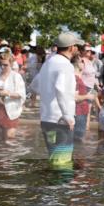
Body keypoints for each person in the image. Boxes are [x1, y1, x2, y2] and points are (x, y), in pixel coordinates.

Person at [30, 32, 80, 169]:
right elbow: (61, 90)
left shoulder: (49, 62)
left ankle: (50, 188)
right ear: (71, 48)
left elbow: (34, 85)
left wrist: (46, 94)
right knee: (62, 162)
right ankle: (61, 189)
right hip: (61, 120)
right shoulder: (66, 65)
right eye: (76, 46)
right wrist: (67, 115)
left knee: (54, 157)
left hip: (46, 119)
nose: (77, 49)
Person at [0, 51, 26, 139]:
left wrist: (8, 93)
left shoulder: (16, 76)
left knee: (9, 136)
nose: (2, 67)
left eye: (5, 65)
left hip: (11, 109)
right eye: (0, 64)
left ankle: (10, 152)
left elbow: (21, 94)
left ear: (11, 63)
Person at [72, 57, 98, 142]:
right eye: (82, 62)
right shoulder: (75, 78)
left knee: (79, 138)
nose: (84, 63)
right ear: (77, 64)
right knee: (78, 140)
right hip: (78, 112)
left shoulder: (78, 77)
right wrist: (87, 96)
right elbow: (74, 97)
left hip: (81, 111)